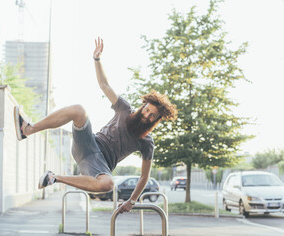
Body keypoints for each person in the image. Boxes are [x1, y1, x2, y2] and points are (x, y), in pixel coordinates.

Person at [14, 37, 177, 213]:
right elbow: (104, 85)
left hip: (98, 164)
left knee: (108, 184)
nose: (146, 115)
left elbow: (144, 176)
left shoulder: (146, 142)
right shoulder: (124, 109)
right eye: (146, 110)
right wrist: (97, 59)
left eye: (151, 116)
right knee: (79, 110)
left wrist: (132, 201)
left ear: (155, 120)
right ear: (143, 106)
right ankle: (28, 129)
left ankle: (53, 178)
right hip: (88, 142)